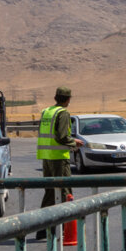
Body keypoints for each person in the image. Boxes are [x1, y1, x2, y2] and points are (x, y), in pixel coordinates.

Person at [35, 86, 83, 238]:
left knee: (50, 192)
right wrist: (75, 142)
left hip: (46, 157)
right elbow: (62, 136)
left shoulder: (47, 111)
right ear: (68, 99)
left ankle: (42, 229)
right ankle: (66, 228)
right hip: (59, 159)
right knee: (64, 191)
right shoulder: (63, 113)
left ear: (56, 98)